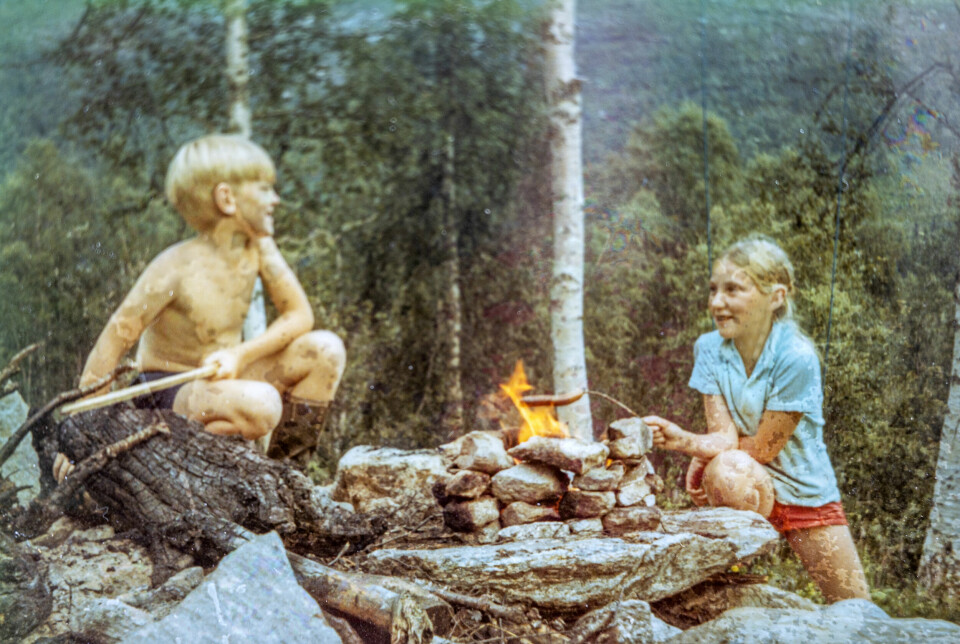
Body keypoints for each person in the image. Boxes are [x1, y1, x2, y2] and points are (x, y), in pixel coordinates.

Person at [53, 134, 345, 481]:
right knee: (262, 404)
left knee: (325, 350)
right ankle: (157, 461)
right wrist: (83, 433)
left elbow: (300, 316)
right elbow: (113, 342)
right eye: (264, 189)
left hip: (223, 382)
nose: (275, 200)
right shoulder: (174, 267)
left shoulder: (260, 249)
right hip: (167, 395)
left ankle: (289, 478)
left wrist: (241, 355)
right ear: (227, 199)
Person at [643, 236, 870, 603]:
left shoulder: (796, 356)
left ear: (776, 297)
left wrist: (701, 455)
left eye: (733, 290)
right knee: (728, 470)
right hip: (740, 485)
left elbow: (763, 448)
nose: (717, 303)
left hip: (803, 492)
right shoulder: (709, 349)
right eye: (714, 290)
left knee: (856, 609)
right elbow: (725, 438)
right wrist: (683, 440)